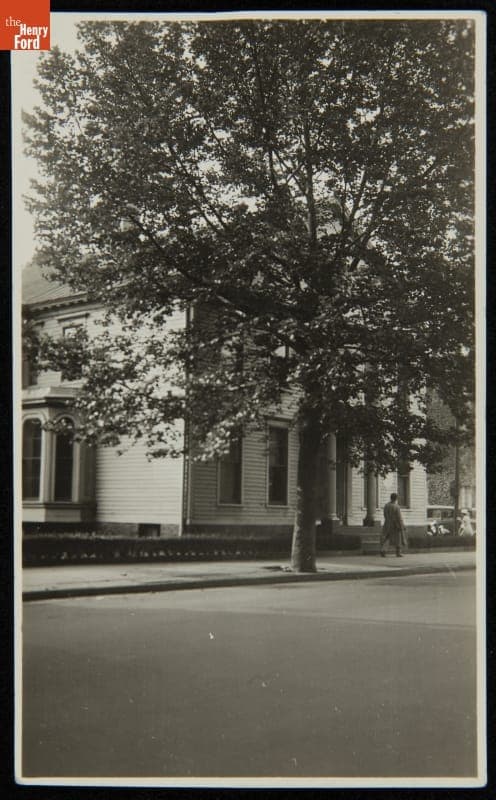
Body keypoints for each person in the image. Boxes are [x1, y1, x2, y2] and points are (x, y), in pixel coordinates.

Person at [380, 492, 408, 557]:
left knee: (387, 538)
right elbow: (399, 517)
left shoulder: (386, 505)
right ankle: (398, 553)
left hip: (387, 524)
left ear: (391, 498)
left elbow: (384, 514)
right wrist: (402, 525)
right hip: (395, 525)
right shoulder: (396, 506)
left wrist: (388, 520)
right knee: (398, 539)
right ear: (396, 498)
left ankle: (383, 550)